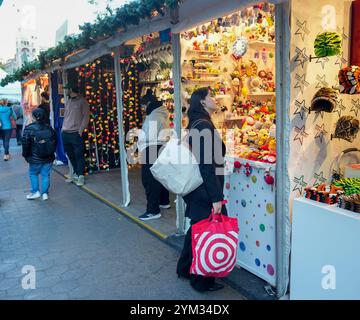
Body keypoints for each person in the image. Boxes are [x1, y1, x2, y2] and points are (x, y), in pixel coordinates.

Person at [176, 87, 227, 292]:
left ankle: (184, 268)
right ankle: (201, 281)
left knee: (196, 230)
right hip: (205, 189)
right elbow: (207, 166)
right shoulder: (203, 125)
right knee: (206, 234)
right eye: (211, 96)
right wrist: (216, 198)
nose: (215, 99)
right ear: (204, 102)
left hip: (197, 189)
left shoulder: (197, 123)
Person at [137, 94, 171, 221]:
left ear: (148, 104)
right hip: (160, 147)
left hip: (152, 149)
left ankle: (153, 210)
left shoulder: (154, 116)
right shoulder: (161, 113)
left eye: (143, 105)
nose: (143, 108)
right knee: (159, 175)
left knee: (149, 179)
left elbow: (149, 137)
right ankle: (164, 201)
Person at [22, 108, 57, 201]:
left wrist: (26, 156)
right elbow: (55, 142)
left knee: (33, 173)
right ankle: (45, 193)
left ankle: (35, 192)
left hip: (34, 157)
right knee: (45, 174)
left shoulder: (29, 129)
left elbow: (25, 144)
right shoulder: (50, 128)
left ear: (33, 117)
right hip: (48, 157)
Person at [61, 84, 90, 186]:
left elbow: (86, 117)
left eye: (67, 89)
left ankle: (81, 176)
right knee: (70, 155)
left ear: (71, 89)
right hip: (65, 133)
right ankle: (76, 174)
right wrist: (63, 128)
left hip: (75, 133)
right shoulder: (68, 101)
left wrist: (80, 130)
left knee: (79, 155)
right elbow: (66, 116)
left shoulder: (83, 101)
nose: (65, 91)